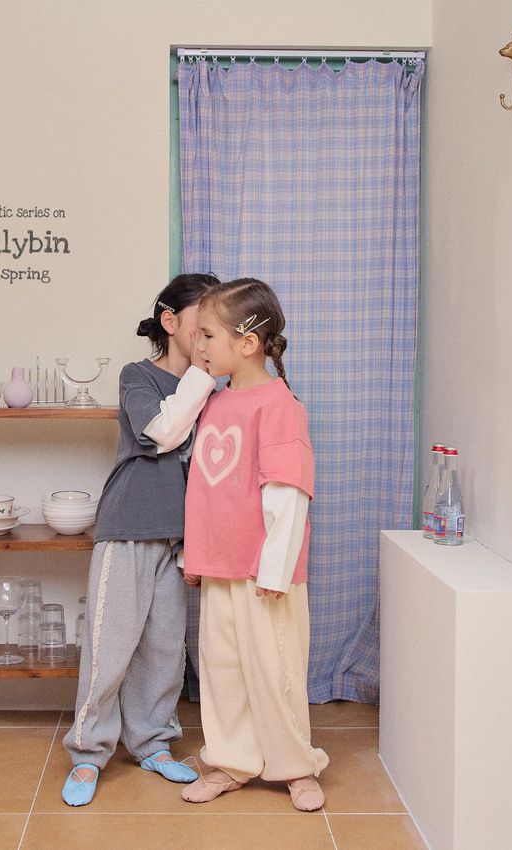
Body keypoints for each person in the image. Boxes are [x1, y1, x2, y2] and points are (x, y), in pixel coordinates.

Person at [61, 273, 219, 807]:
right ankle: (88, 752)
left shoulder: (211, 390)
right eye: (202, 324)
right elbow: (161, 433)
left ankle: (153, 742)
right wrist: (202, 376)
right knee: (109, 647)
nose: (209, 336)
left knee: (164, 650)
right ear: (170, 321)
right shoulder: (139, 376)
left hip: (179, 537)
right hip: (128, 526)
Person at [181, 278, 329, 811]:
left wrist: (275, 568)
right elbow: (206, 491)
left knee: (275, 668)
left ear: (247, 343)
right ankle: (230, 760)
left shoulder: (279, 405)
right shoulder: (215, 402)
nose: (198, 345)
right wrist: (196, 553)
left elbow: (288, 494)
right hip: (219, 564)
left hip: (265, 572)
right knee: (222, 669)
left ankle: (295, 764)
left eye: (208, 336)